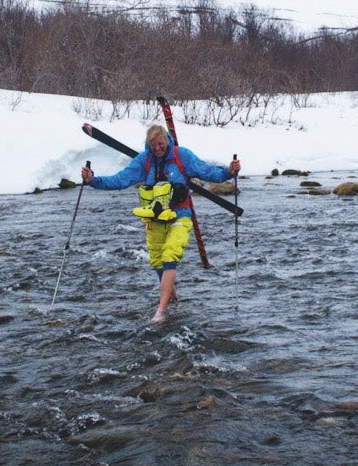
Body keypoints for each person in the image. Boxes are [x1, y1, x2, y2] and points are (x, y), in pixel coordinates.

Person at [81, 124, 241, 323]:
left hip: (179, 217)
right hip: (155, 221)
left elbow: (209, 173)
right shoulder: (144, 161)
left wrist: (228, 172)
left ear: (166, 140)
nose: (157, 148)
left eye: (160, 143)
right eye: (153, 145)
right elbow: (120, 180)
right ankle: (172, 299)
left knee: (169, 256)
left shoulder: (182, 156)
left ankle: (161, 311)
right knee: (157, 262)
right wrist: (93, 180)